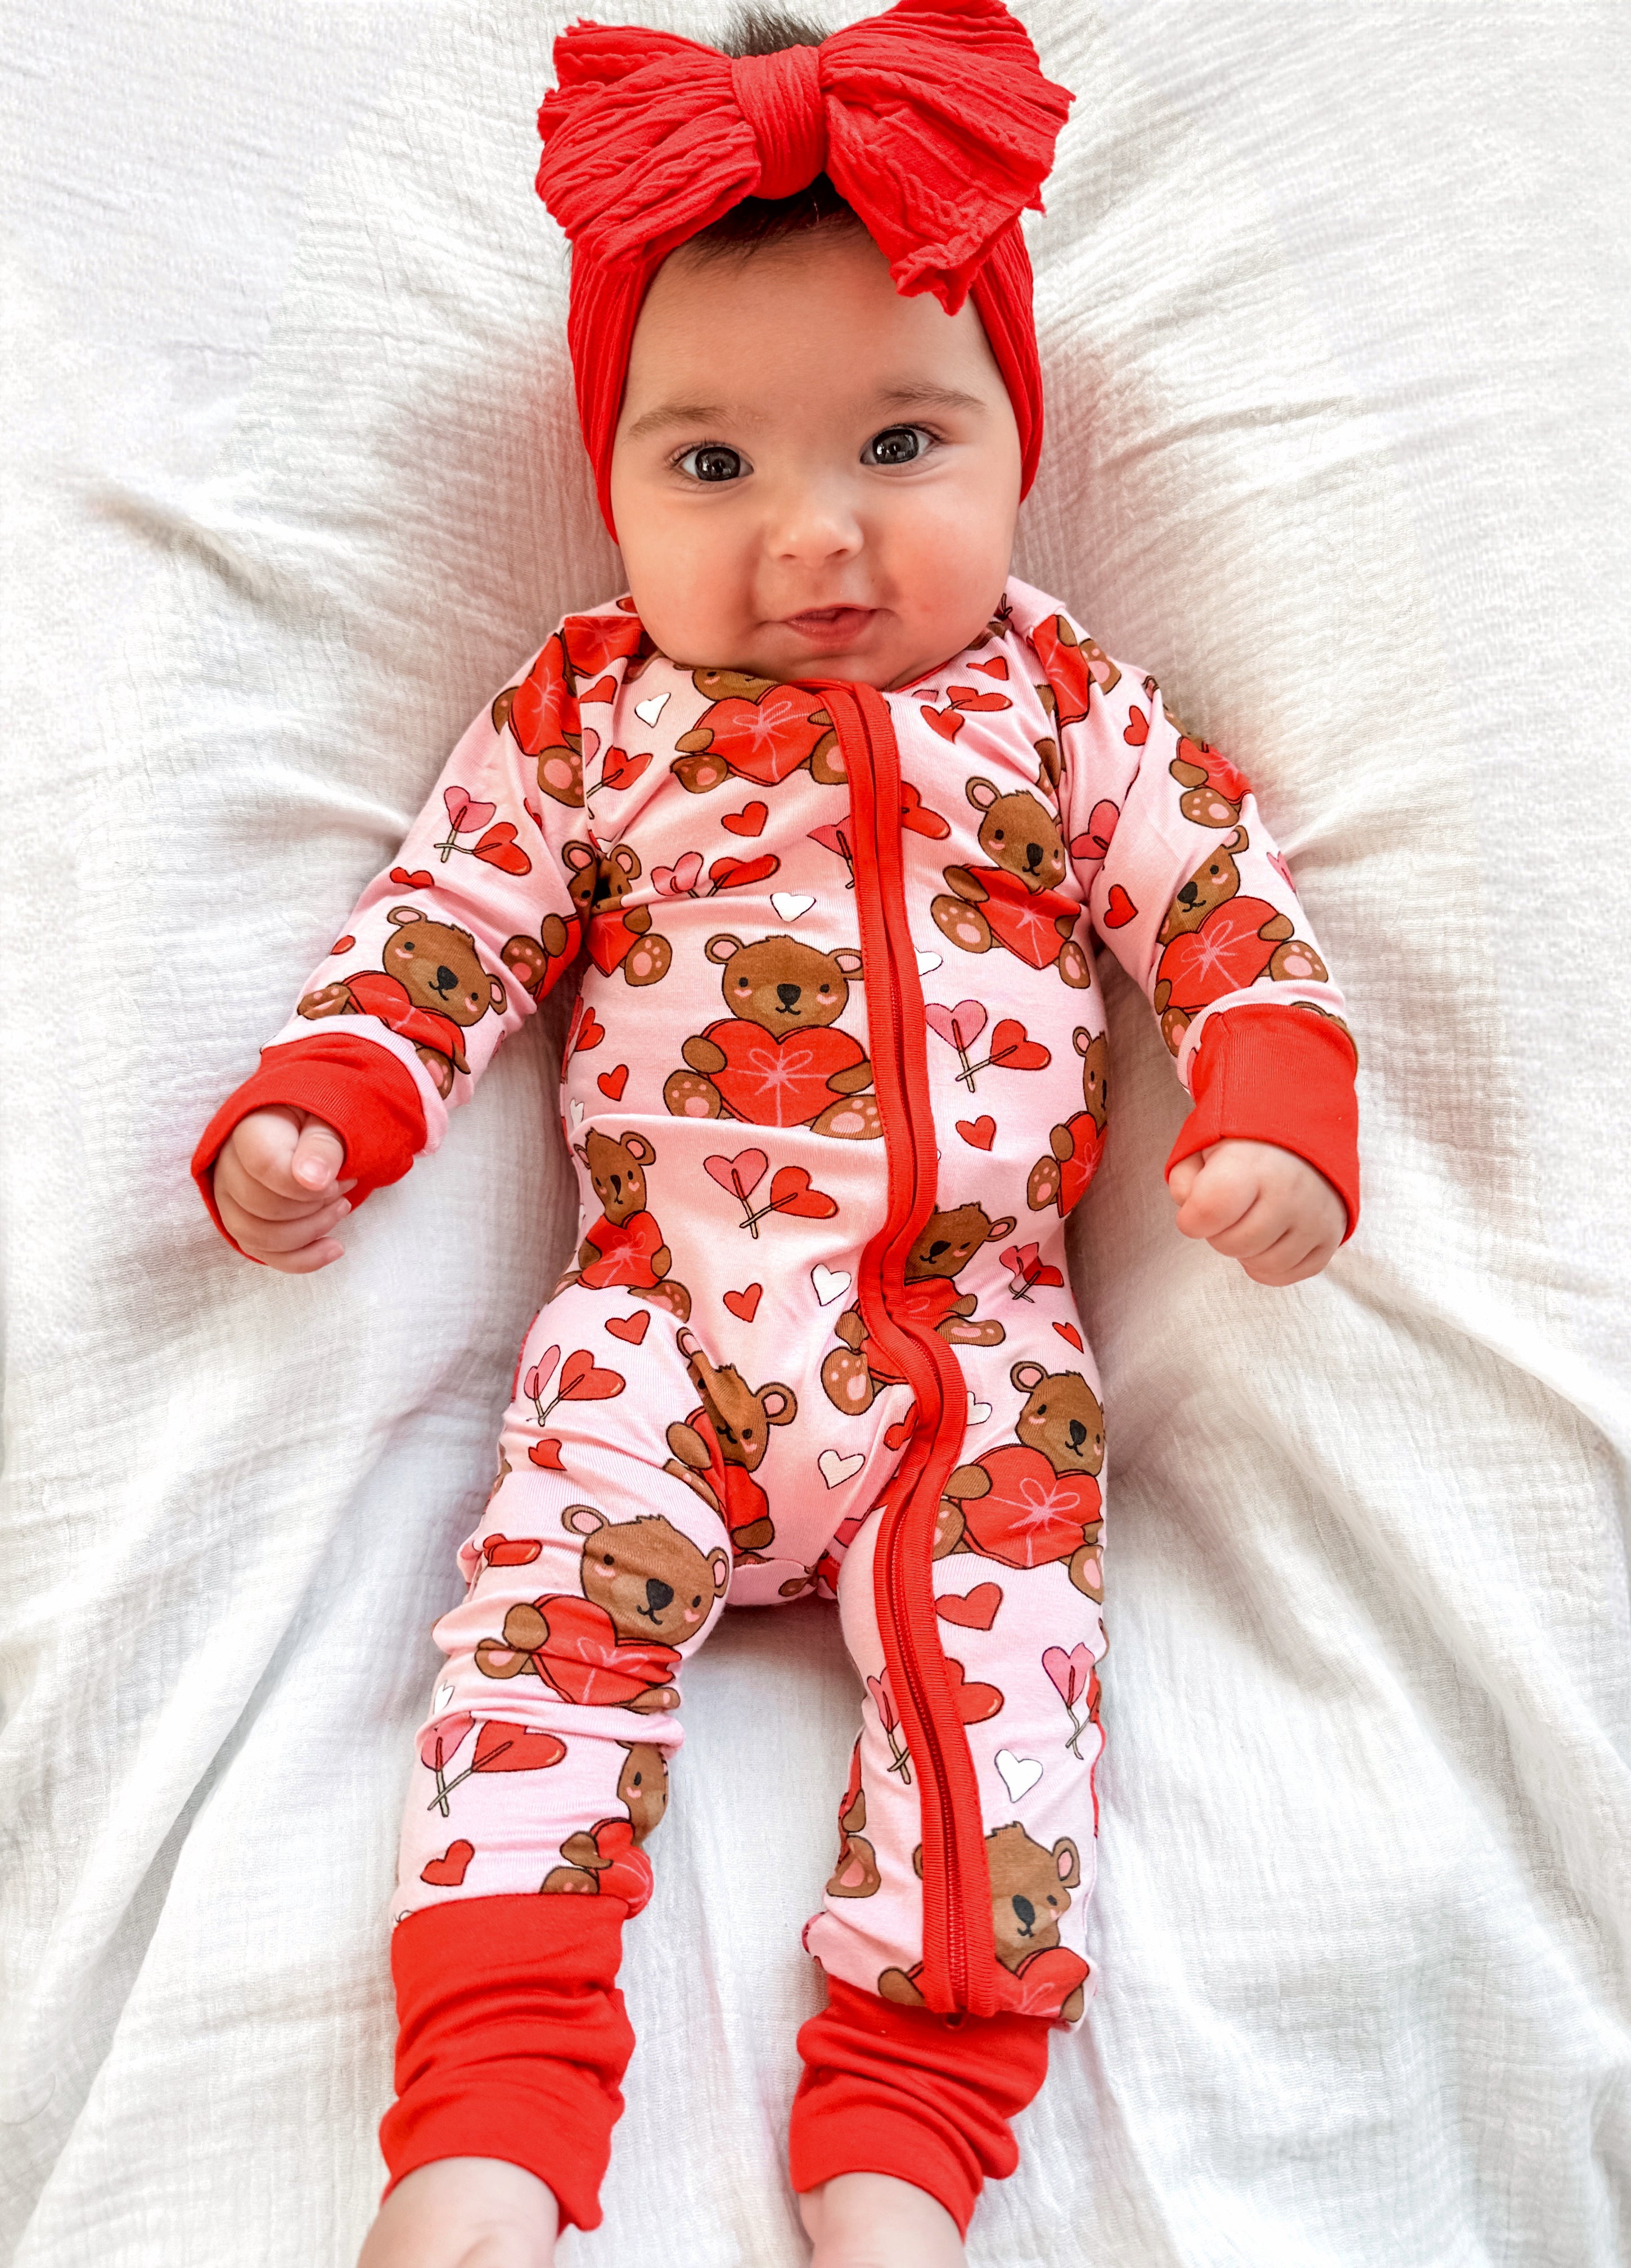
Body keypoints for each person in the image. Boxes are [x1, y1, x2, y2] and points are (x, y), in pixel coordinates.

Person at [190, 5, 1360, 2262]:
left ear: (1016, 438)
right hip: (655, 1332)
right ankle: (487, 2135)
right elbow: (443, 923)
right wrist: (329, 1104)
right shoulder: (588, 713)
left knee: (1003, 1698)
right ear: (609, 477)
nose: (812, 536)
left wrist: (1277, 1119)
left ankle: (899, 2149)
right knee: (529, 1655)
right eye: (708, 464)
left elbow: (1230, 915)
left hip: (970, 1355)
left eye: (899, 441)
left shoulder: (1062, 708)